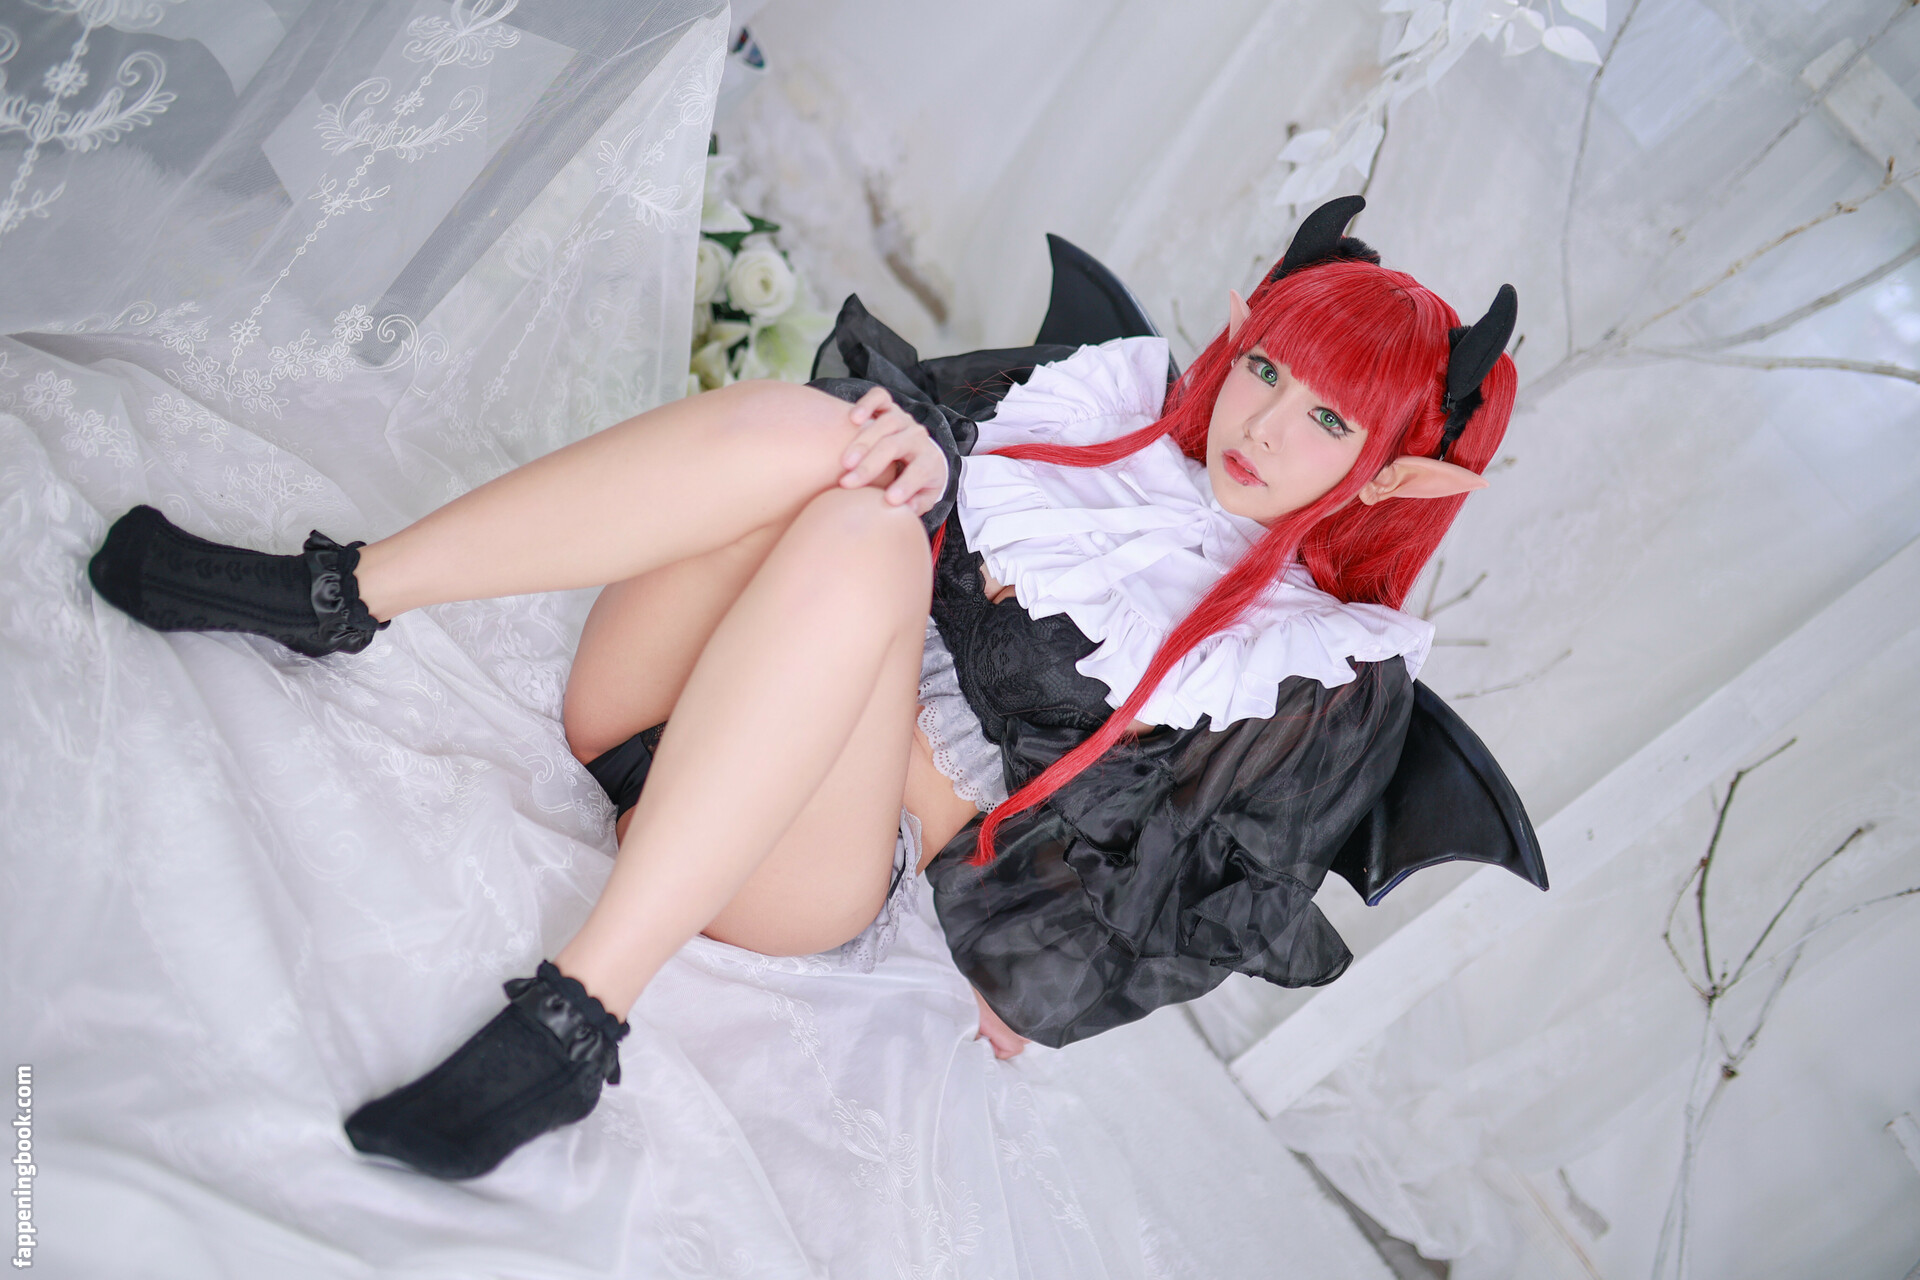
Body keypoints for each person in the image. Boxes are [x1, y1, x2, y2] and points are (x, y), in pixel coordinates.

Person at [84, 196, 1523, 1181]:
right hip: (653, 718)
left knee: (867, 539)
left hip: (805, 870)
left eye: (1326, 417)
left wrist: (902, 724)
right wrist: (918, 456)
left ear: (1391, 473)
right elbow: (881, 432)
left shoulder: (1316, 674)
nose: (1265, 423)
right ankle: (342, 595)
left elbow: (1078, 965)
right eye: (1266, 367)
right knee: (835, 441)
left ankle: (576, 1020)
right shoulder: (1102, 407)